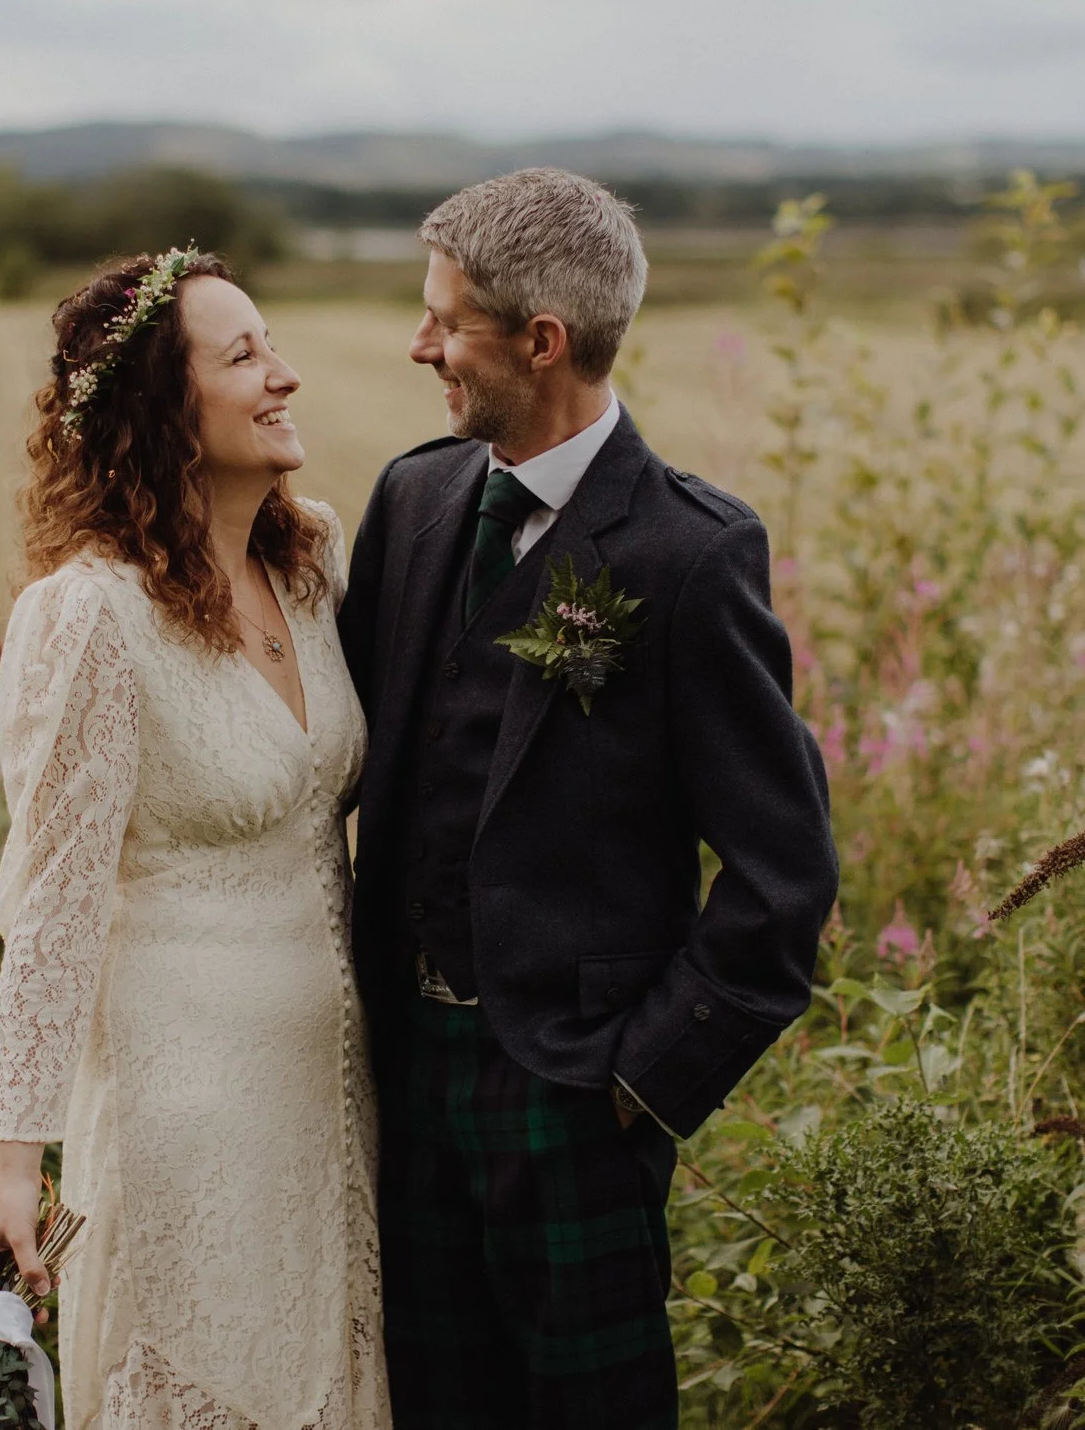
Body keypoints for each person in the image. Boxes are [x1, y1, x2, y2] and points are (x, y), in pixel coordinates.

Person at [338, 169, 839, 1428]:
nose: (419, 345)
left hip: (573, 1095)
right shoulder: (411, 498)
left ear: (540, 341)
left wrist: (637, 1080)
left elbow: (785, 877)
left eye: (444, 322)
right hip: (404, 1077)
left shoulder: (688, 553)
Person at [0, 249, 390, 1429]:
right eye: (243, 354)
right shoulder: (89, 615)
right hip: (182, 1114)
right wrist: (16, 1171)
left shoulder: (313, 565)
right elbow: (49, 910)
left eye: (273, 344)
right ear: (163, 406)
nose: (283, 374)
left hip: (338, 1102)